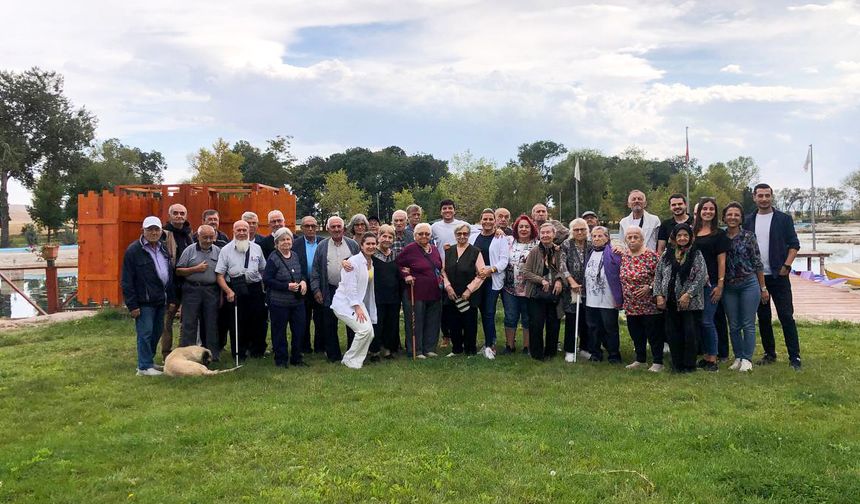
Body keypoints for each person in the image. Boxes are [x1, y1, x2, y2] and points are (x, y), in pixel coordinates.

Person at [743, 183, 802, 370]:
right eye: (760, 195)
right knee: (763, 317)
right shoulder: (748, 220)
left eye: (767, 195)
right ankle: (770, 353)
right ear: (754, 197)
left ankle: (795, 357)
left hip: (779, 275)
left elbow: (794, 244)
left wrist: (787, 265)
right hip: (757, 277)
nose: (763, 199)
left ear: (772, 196)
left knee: (786, 316)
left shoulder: (783, 219)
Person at [122, 216, 176, 376]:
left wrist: (171, 298)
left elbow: (169, 275)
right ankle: (144, 367)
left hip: (160, 299)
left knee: (157, 331)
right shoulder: (133, 251)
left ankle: (149, 361)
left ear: (161, 231)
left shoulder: (163, 248)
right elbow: (127, 280)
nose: (153, 232)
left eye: (156, 229)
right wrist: (132, 305)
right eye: (150, 229)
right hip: (143, 301)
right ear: (143, 231)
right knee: (145, 333)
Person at [654, 223, 707, 373]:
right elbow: (658, 275)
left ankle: (689, 366)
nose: (682, 238)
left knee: (690, 334)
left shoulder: (696, 254)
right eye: (679, 235)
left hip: (690, 303)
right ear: (674, 238)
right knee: (673, 334)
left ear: (690, 237)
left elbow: (701, 276)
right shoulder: (667, 254)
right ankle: (676, 365)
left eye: (685, 235)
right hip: (670, 302)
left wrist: (688, 294)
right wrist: (659, 295)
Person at [215, 220, 268, 361]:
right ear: (233, 231)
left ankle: (257, 351)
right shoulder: (225, 250)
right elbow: (219, 275)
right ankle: (239, 352)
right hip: (235, 288)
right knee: (237, 322)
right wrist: (228, 291)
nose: (242, 232)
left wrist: (264, 287)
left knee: (257, 320)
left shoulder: (257, 248)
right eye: (239, 230)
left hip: (255, 288)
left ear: (249, 231)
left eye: (245, 229)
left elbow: (263, 269)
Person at [723, 202, 766, 372]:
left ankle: (747, 359)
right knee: (733, 324)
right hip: (729, 286)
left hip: (749, 283)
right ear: (724, 217)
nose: (733, 217)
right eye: (729, 214)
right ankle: (738, 356)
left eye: (736, 215)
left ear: (741, 218)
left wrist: (763, 288)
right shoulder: (721, 236)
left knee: (748, 323)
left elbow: (757, 262)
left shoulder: (749, 236)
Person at [310, 216, 360, 362]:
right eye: (333, 227)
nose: (337, 229)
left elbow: (360, 267)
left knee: (352, 322)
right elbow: (315, 271)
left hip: (349, 291)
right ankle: (333, 355)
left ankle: (352, 353)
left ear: (344, 228)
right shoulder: (322, 246)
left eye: (339, 226)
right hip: (329, 289)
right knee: (329, 323)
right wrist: (316, 290)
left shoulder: (352, 245)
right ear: (328, 229)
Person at [693, 197, 730, 372]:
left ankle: (713, 358)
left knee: (708, 321)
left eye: (711, 209)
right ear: (699, 212)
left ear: (715, 212)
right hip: (693, 285)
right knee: (699, 321)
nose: (708, 211)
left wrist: (720, 285)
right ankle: (706, 355)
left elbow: (722, 261)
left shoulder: (719, 234)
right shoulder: (692, 232)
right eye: (704, 209)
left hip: (711, 283)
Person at [332, 232, 379, 369]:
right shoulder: (353, 262)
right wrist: (357, 307)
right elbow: (349, 287)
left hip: (358, 302)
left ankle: (355, 360)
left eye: (373, 243)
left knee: (370, 333)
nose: (371, 246)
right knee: (363, 331)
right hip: (344, 303)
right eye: (368, 244)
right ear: (362, 245)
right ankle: (349, 359)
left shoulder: (371, 262)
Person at [396, 223, 444, 359]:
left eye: (427, 234)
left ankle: (429, 348)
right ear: (415, 235)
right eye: (420, 234)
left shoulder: (434, 249)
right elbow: (400, 264)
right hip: (415, 291)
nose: (424, 236)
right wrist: (406, 275)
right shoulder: (410, 249)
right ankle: (416, 350)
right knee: (415, 321)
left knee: (433, 320)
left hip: (434, 291)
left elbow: (438, 266)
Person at [521, 223, 568, 361]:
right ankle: (537, 353)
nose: (546, 235)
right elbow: (526, 272)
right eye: (543, 233)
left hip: (554, 292)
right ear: (539, 235)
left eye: (548, 233)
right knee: (536, 323)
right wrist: (541, 280)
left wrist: (559, 280)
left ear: (554, 235)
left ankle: (551, 352)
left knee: (553, 323)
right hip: (536, 293)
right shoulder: (535, 251)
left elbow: (564, 269)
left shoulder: (559, 251)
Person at [620, 226, 664, 372]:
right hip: (631, 305)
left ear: (642, 239)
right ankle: (640, 360)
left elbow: (661, 276)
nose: (632, 240)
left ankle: (658, 362)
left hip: (649, 304)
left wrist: (650, 288)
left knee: (653, 333)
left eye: (635, 237)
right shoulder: (625, 255)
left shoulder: (651, 255)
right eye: (629, 237)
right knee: (636, 333)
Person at [263, 227, 307, 368]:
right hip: (279, 303)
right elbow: (267, 279)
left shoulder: (295, 255)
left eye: (288, 239)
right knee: (279, 332)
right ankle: (281, 360)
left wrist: (304, 281)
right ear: (276, 243)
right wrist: (286, 286)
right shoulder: (273, 258)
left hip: (297, 301)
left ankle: (297, 358)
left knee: (299, 330)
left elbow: (302, 273)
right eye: (282, 240)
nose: (286, 242)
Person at [175, 224, 221, 360]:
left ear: (215, 237)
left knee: (211, 323)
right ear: (198, 236)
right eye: (204, 237)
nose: (208, 240)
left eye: (211, 237)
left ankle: (211, 355)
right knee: (189, 322)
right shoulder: (189, 250)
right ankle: (187, 355)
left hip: (211, 290)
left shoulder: (218, 251)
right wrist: (195, 269)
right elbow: (178, 270)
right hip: (192, 289)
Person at [469, 208, 510, 359]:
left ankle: (490, 345)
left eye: (490, 219)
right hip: (476, 280)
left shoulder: (501, 238)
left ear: (495, 221)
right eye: (484, 219)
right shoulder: (473, 236)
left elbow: (504, 260)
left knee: (489, 312)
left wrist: (491, 270)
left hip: (492, 280)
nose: (487, 222)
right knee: (478, 311)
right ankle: (483, 343)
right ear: (480, 220)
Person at [442, 223, 487, 356]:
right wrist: (448, 287)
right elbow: (443, 271)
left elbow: (482, 274)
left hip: (469, 294)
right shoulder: (449, 251)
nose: (462, 236)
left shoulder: (476, 252)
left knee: (469, 323)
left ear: (469, 235)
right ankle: (456, 349)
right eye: (459, 234)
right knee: (453, 322)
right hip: (452, 293)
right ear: (455, 235)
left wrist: (469, 290)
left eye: (465, 234)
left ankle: (470, 350)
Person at [583, 226, 623, 363]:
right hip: (591, 299)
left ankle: (614, 355)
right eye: (594, 236)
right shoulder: (589, 252)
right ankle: (595, 354)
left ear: (607, 238)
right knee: (593, 327)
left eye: (600, 236)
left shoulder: (614, 252)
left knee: (610, 328)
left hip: (608, 299)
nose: (597, 239)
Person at [431, 199, 466, 348]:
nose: (447, 211)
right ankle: (446, 336)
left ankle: (462, 335)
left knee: (461, 303)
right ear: (441, 211)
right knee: (444, 306)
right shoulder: (435, 227)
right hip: (441, 270)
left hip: (460, 270)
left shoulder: (462, 225)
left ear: (454, 210)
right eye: (444, 208)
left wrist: (499, 230)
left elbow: (480, 230)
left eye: (450, 208)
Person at [160, 203, 193, 359]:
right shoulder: (164, 234)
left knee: (186, 319)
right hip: (170, 282)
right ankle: (166, 352)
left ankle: (182, 351)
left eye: (182, 213)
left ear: (186, 215)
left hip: (186, 282)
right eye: (176, 213)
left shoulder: (189, 234)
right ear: (170, 215)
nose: (179, 216)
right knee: (167, 319)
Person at [502, 215, 538, 354]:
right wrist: (499, 231)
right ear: (516, 228)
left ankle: (527, 347)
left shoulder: (537, 243)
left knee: (527, 318)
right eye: (520, 226)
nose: (523, 229)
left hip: (529, 288)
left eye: (526, 227)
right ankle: (509, 346)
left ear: (531, 229)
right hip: (510, 288)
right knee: (510, 317)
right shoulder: (508, 241)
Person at [560, 218, 592, 362]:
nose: (580, 232)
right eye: (576, 230)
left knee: (586, 318)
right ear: (572, 231)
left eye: (582, 229)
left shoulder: (591, 244)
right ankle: (570, 350)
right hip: (571, 289)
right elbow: (562, 265)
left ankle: (585, 348)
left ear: (587, 230)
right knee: (572, 318)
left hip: (589, 288)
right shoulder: (567, 244)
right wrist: (572, 282)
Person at [293, 216, 324, 354]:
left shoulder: (324, 243)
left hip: (320, 286)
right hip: (302, 286)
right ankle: (305, 347)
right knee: (303, 318)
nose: (310, 228)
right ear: (302, 228)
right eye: (307, 226)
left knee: (320, 318)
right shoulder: (295, 244)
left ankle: (320, 346)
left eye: (313, 226)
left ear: (316, 227)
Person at [371, 225, 402, 358]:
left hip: (393, 295)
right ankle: (375, 350)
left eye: (390, 237)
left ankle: (389, 349)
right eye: (384, 236)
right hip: (376, 295)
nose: (387, 239)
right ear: (378, 237)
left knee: (391, 323)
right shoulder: (371, 255)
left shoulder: (396, 256)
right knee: (377, 323)